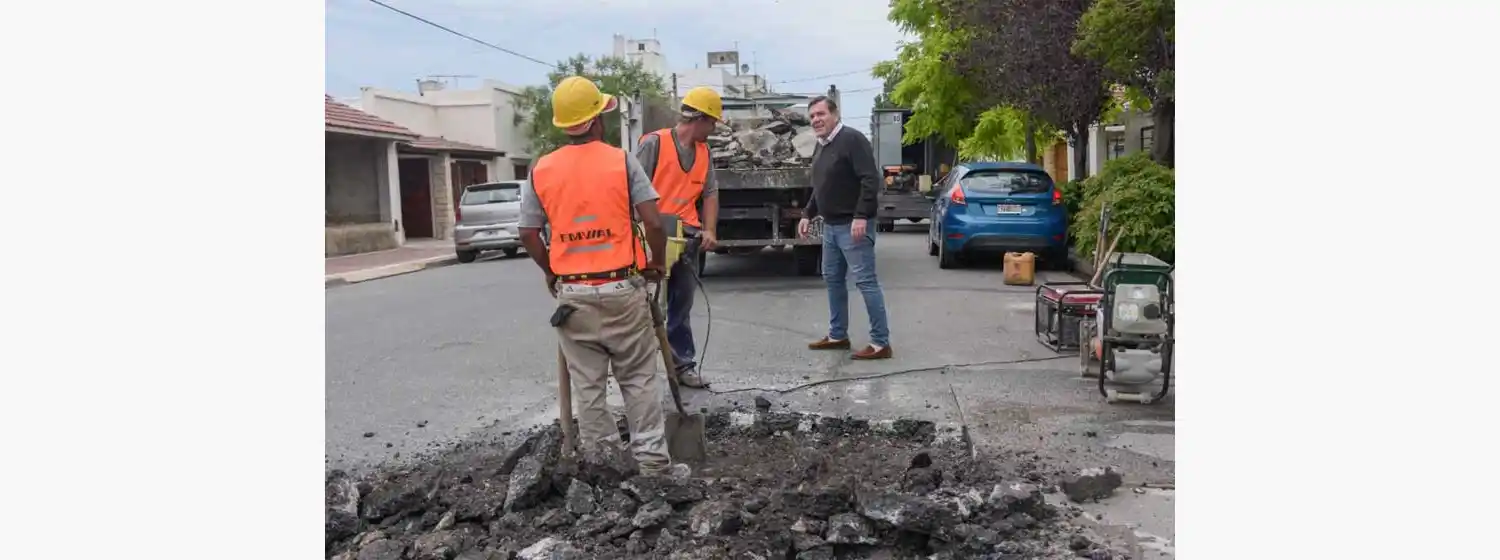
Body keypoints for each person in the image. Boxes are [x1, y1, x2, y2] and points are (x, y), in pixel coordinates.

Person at [517, 76, 687, 477]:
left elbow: (528, 233)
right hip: (621, 288)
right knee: (639, 379)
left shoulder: (542, 169)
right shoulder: (621, 160)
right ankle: (652, 467)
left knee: (588, 386)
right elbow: (654, 224)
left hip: (573, 293)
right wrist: (655, 267)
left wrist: (552, 272)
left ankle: (604, 466)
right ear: (595, 121)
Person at [634, 86, 723, 389]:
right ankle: (638, 372)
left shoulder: (703, 152)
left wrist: (709, 230)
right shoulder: (653, 144)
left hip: (688, 239)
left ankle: (682, 365)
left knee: (680, 307)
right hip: (654, 237)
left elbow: (710, 193)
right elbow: (631, 191)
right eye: (713, 123)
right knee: (644, 305)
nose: (713, 130)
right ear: (701, 119)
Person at [797, 95, 892, 360]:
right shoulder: (822, 146)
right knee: (833, 280)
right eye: (812, 116)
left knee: (866, 282)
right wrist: (807, 213)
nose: (816, 119)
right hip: (830, 227)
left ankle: (880, 343)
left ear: (835, 114)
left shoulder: (852, 139)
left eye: (821, 114)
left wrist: (861, 215)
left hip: (853, 227)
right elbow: (821, 186)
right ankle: (838, 335)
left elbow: (870, 180)